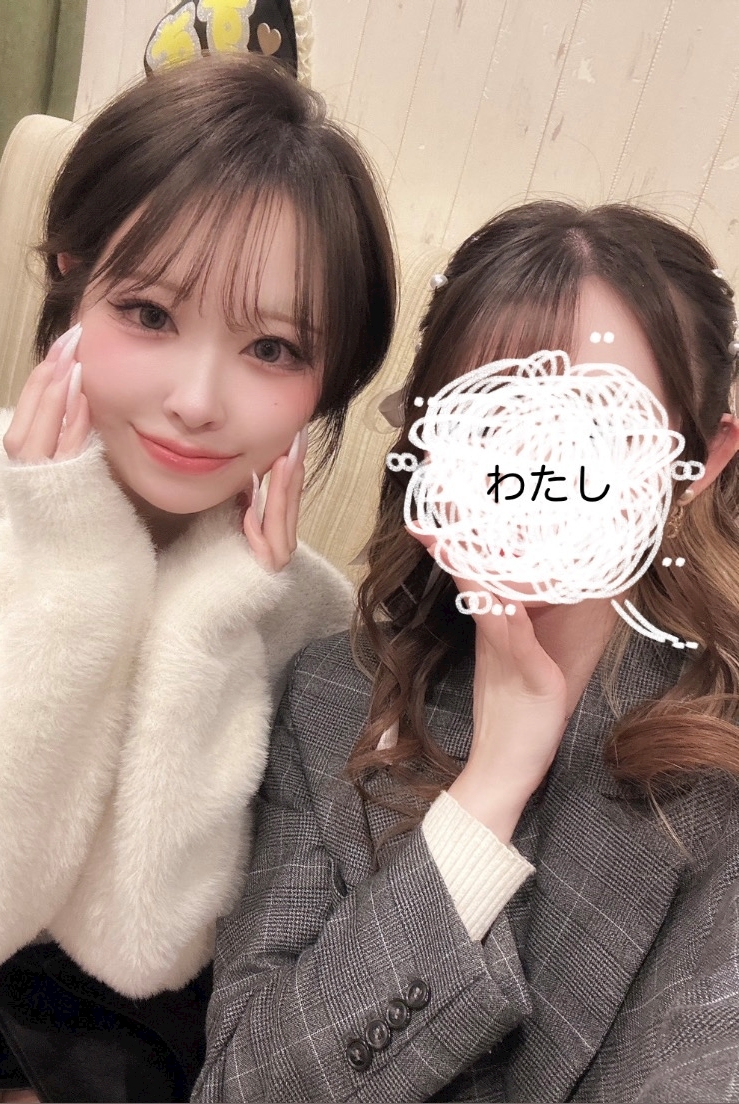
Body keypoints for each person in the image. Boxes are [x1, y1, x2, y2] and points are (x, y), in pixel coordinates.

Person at [0, 52, 396, 1103]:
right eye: (150, 314)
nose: (197, 400)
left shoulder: (312, 626)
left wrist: (207, 626)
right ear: (71, 283)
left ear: (329, 384)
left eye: (274, 348)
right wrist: (68, 565)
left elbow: (146, 946)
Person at [195, 200, 739, 1103]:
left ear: (701, 458)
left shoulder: (718, 764)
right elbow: (244, 1088)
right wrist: (486, 796)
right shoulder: (330, 694)